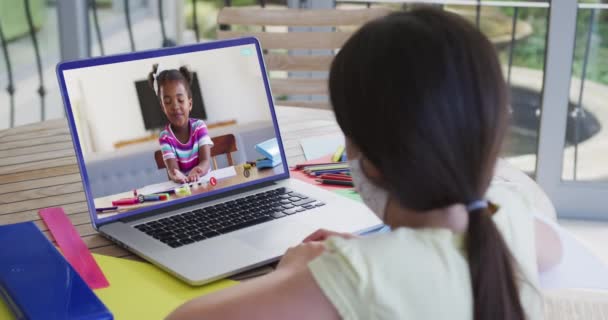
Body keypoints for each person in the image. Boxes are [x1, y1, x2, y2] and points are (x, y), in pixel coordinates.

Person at [167, 8, 561, 320]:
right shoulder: (505, 214)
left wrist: (296, 274)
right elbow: (552, 250)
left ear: (369, 163)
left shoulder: (356, 278)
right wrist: (384, 253)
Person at [148, 64, 213, 183]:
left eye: (180, 100)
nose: (175, 106)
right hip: (184, 190)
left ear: (190, 104)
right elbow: (173, 170)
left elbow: (205, 162)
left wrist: (198, 170)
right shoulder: (165, 137)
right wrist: (176, 175)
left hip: (206, 184)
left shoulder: (199, 127)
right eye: (168, 102)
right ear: (163, 108)